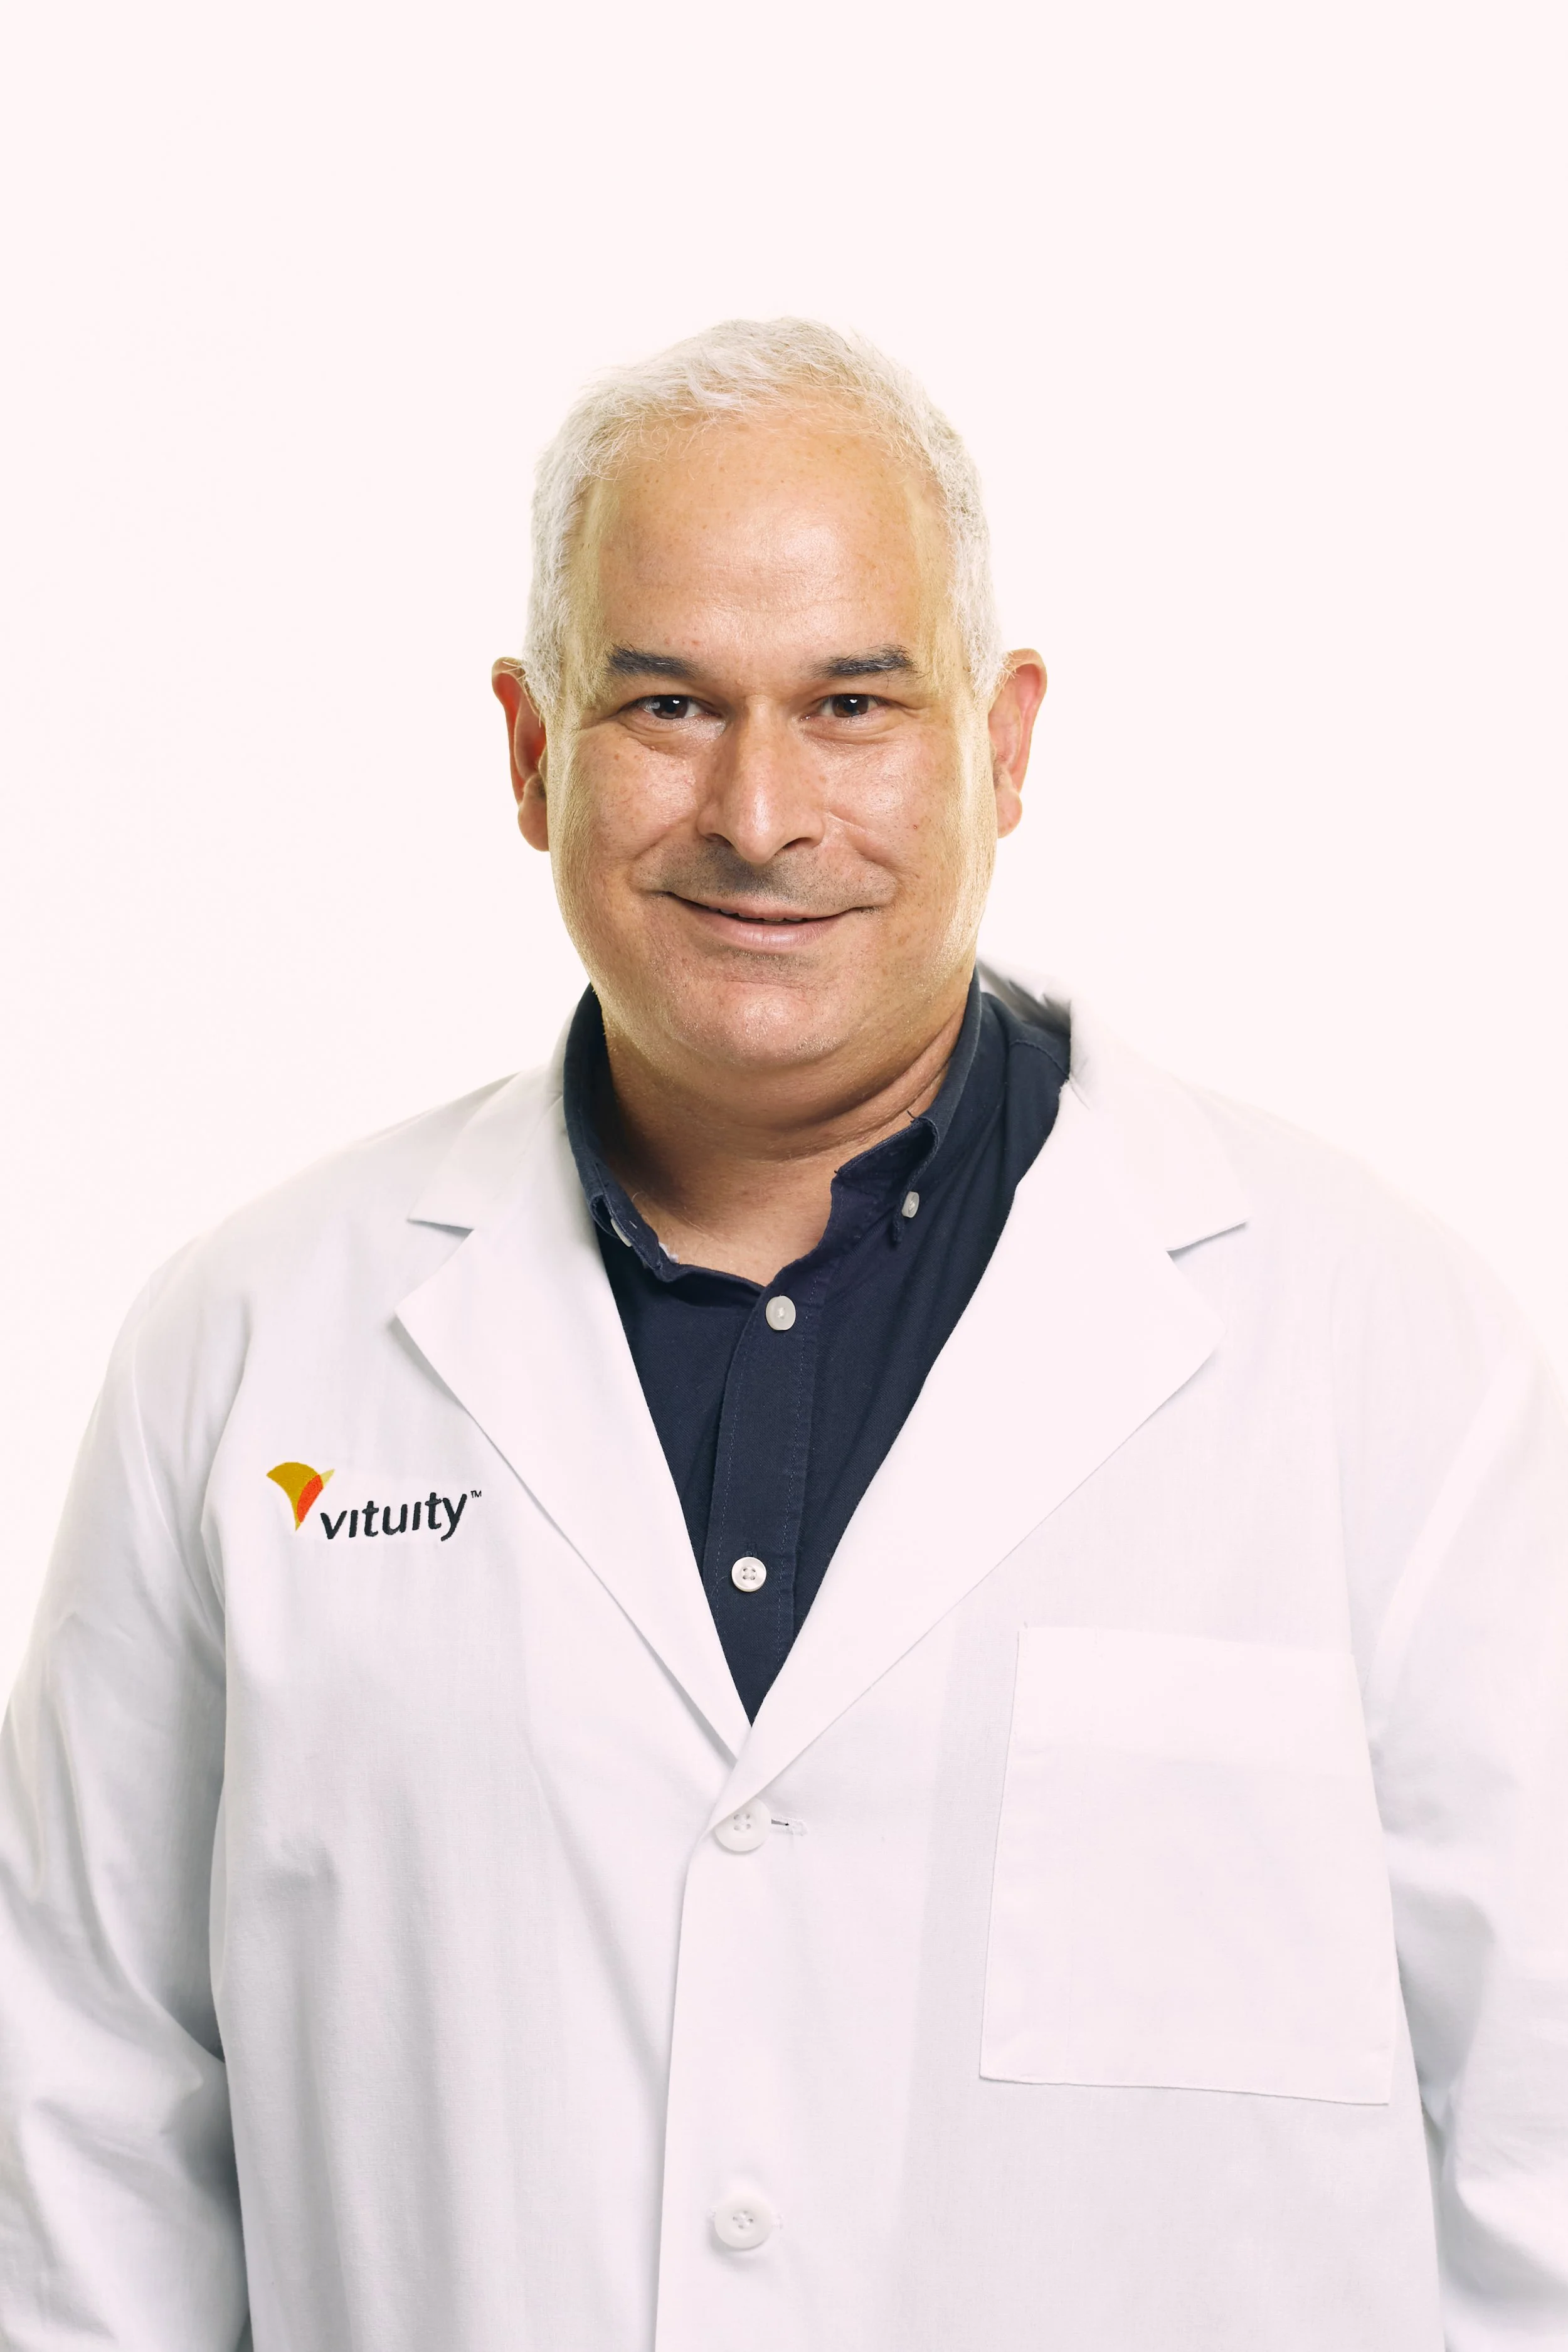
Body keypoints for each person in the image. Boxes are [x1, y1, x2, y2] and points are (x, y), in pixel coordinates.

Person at [1, 317, 1564, 2352]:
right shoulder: (251, 1348)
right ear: (529, 747)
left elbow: (1536, 2146)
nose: (758, 810)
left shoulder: (1379, 1352)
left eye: (852, 700)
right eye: (664, 701)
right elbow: (84, 2140)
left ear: (1000, 743)